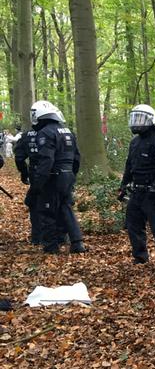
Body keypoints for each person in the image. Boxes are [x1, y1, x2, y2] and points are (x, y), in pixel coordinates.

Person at [119, 104, 155, 273]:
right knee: (133, 224)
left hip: (153, 193)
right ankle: (140, 257)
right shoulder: (135, 142)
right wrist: (124, 184)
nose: (137, 123)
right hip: (137, 191)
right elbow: (129, 165)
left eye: (140, 119)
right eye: (135, 119)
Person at [28, 100, 86, 254]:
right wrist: (72, 175)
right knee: (66, 208)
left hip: (53, 177)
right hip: (67, 175)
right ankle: (77, 241)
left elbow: (46, 160)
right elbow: (77, 158)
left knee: (47, 210)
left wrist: (37, 184)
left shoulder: (45, 133)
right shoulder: (67, 131)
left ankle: (51, 247)